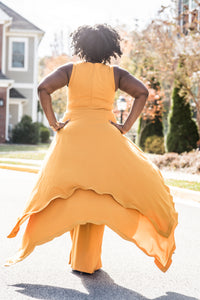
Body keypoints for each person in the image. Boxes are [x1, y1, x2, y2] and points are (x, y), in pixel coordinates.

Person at [5, 24, 178, 273]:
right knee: (99, 195)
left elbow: (43, 87)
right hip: (105, 136)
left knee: (71, 194)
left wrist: (54, 122)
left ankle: (80, 259)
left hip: (73, 136)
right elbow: (141, 92)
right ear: (110, 47)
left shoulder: (70, 70)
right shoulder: (115, 74)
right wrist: (125, 126)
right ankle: (86, 261)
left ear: (81, 46)